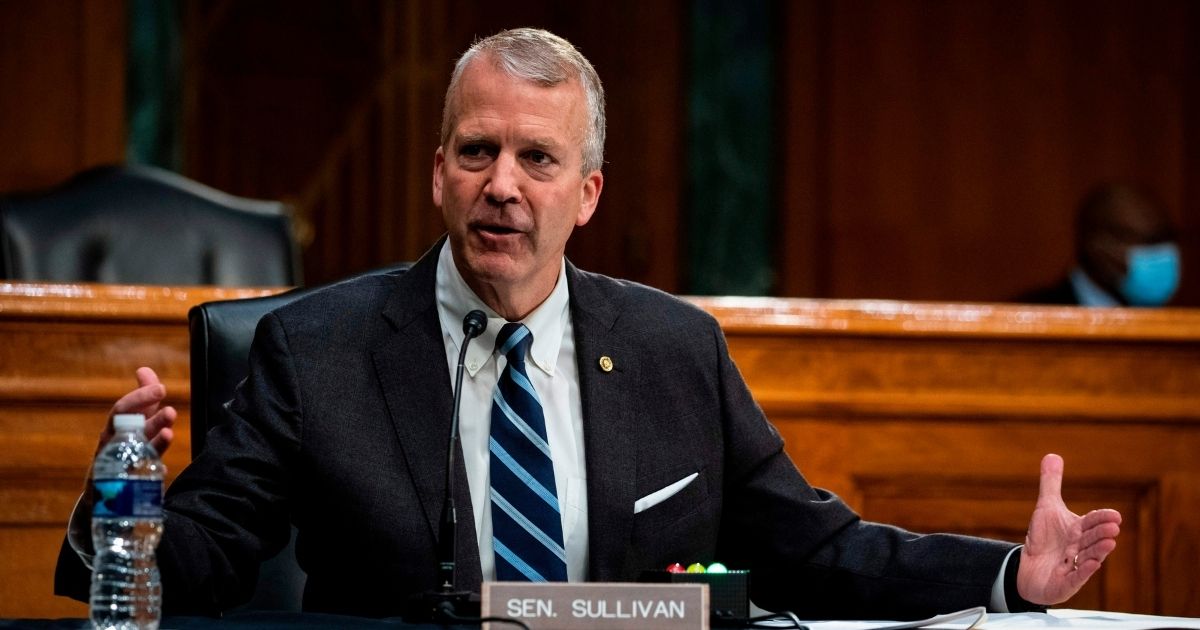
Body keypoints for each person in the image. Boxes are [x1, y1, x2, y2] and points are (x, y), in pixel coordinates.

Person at [57, 28, 1121, 619]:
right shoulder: (315, 351)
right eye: (476, 152)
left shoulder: (676, 350)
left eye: (538, 159)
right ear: (438, 176)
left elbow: (817, 549)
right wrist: (120, 494)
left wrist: (1006, 575)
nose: (503, 186)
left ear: (590, 192)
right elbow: (198, 561)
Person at [1020, 183, 1182, 306]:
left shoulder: (1183, 324)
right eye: (1143, 241)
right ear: (1095, 245)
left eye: (1163, 238)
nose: (1157, 252)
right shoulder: (1031, 315)